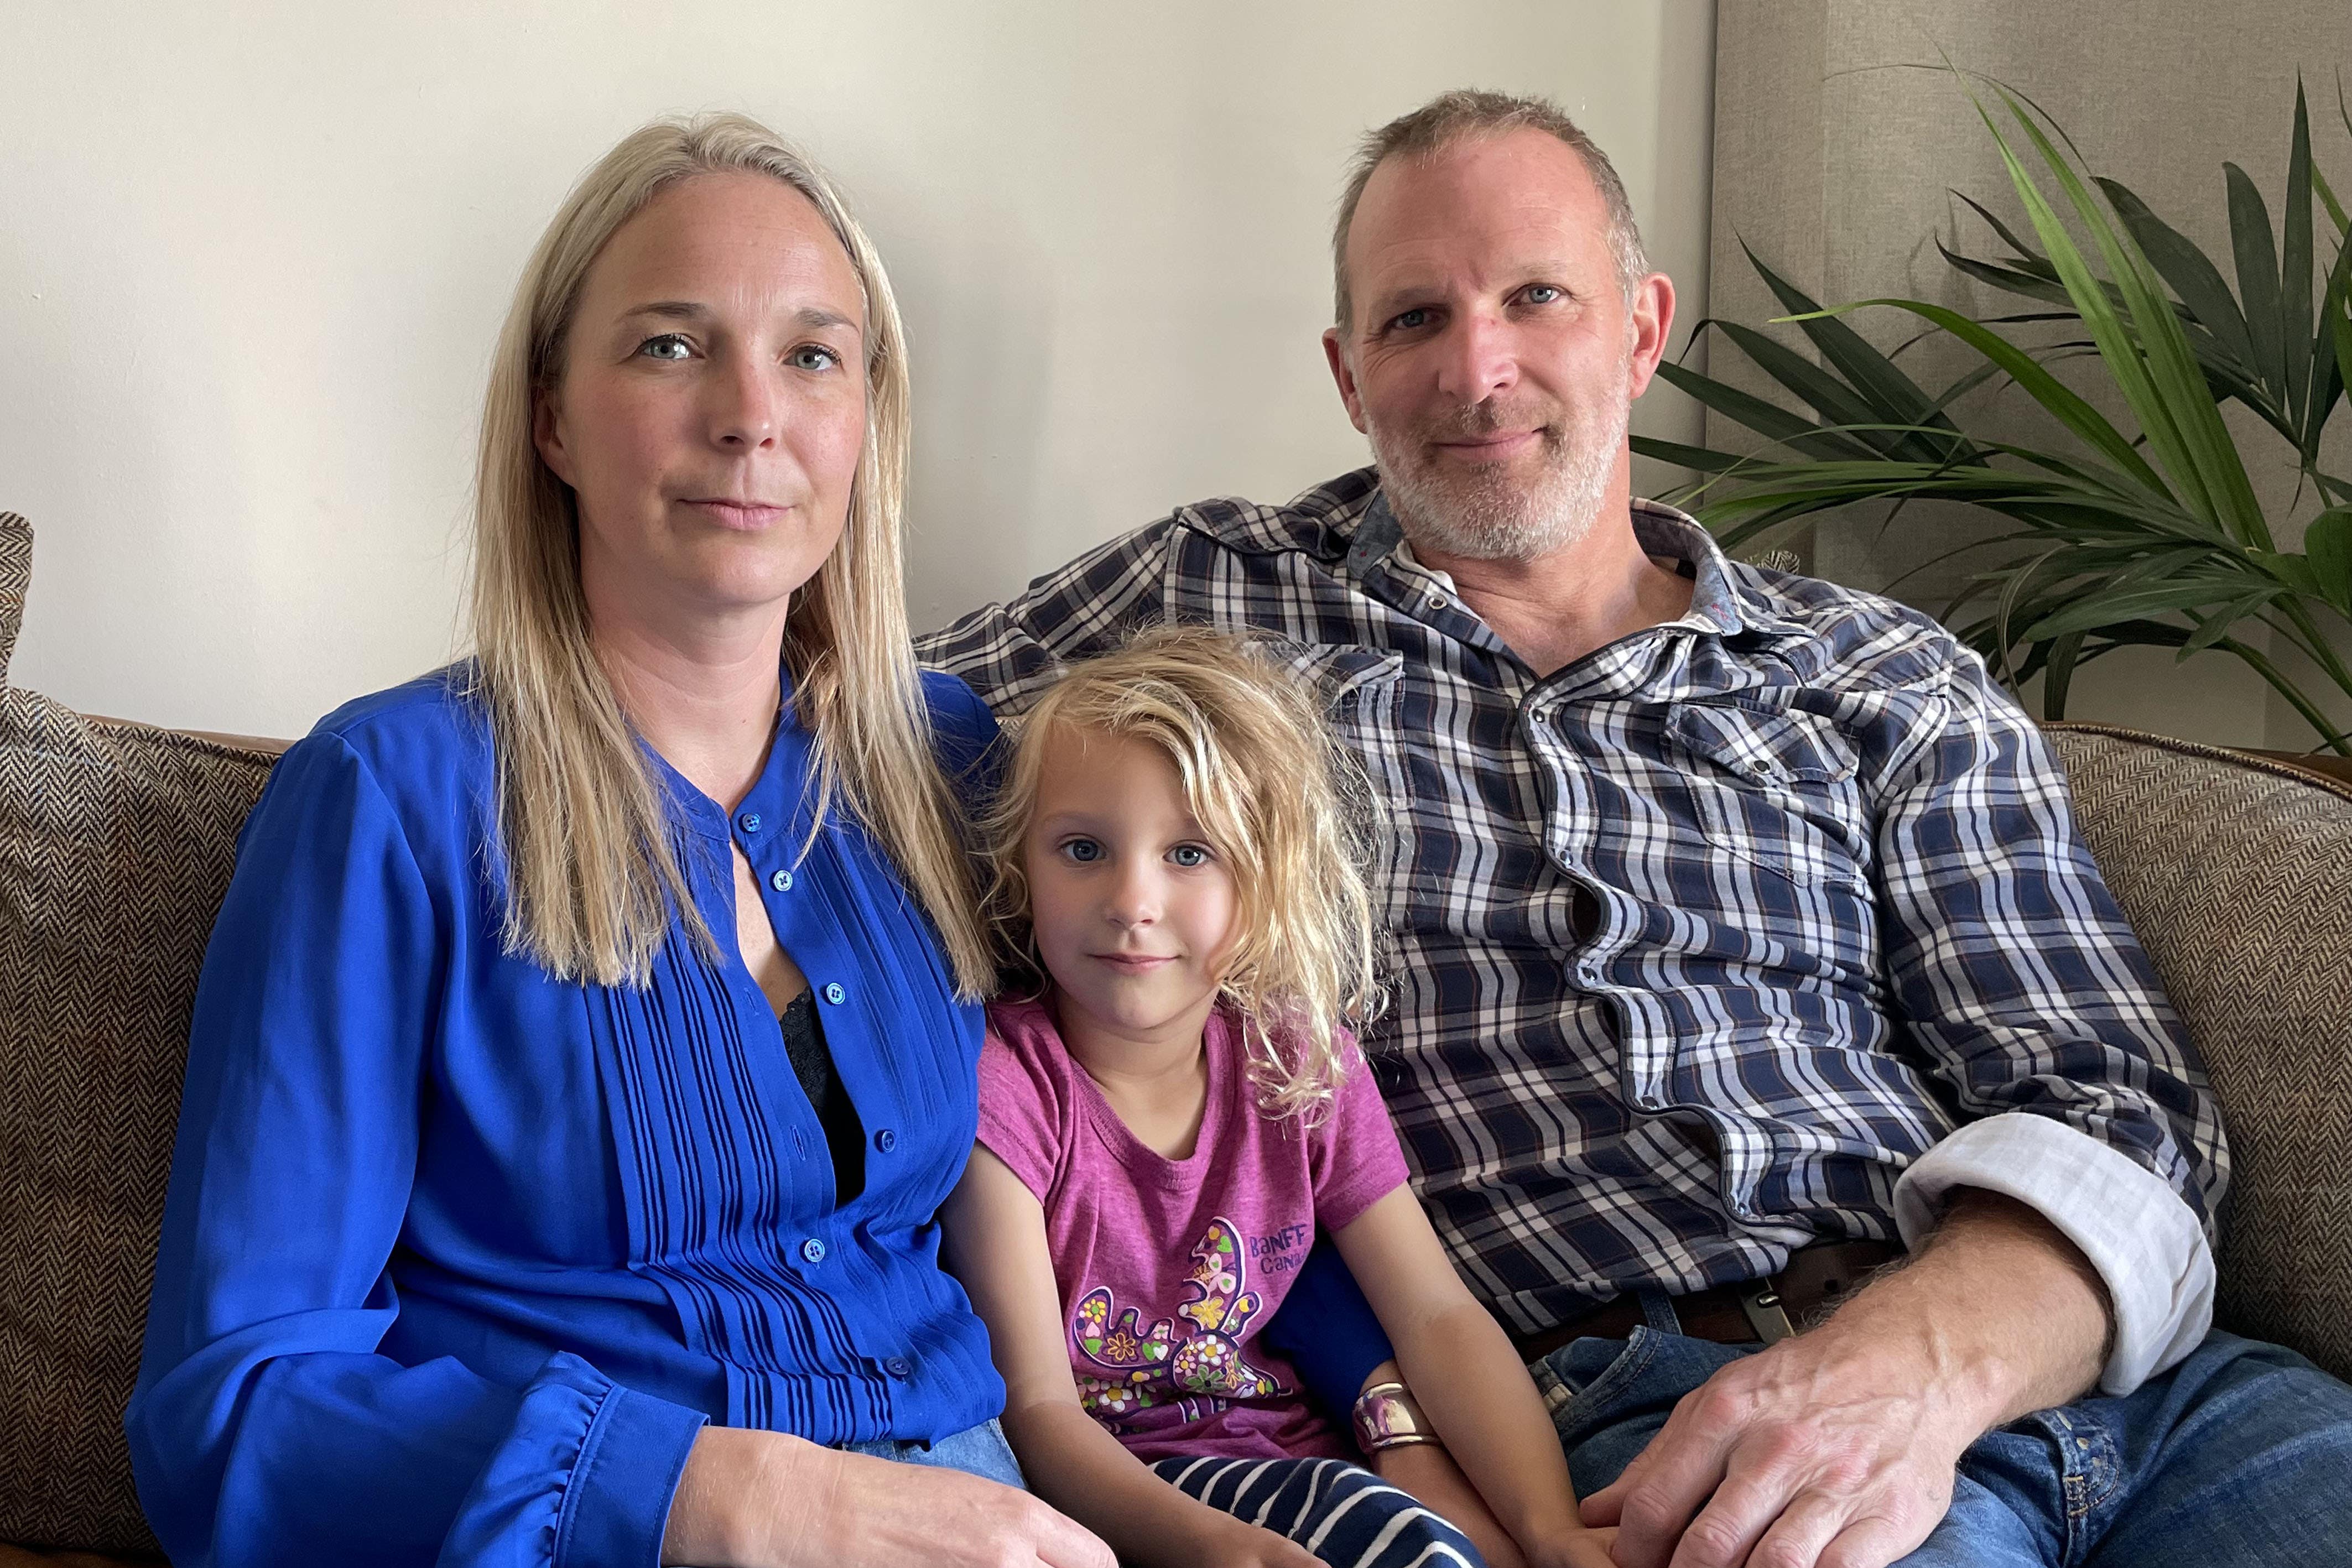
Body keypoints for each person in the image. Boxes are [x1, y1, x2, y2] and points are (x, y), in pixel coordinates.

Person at [917, 88, 2352, 1568]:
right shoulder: (1214, 597)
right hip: (1652, 1425)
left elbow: (2118, 1098)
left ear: (1641, 325)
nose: (1477, 371)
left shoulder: (1871, 673)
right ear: (1347, 375)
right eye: (1413, 320)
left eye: (1535, 296)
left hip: (2122, 1389)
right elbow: (814, 710)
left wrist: (1914, 1369)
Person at [126, 114, 1111, 1568]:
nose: (749, 415)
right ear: (550, 419)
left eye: (812, 354)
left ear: (865, 420)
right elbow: (234, 1409)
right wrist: (711, 1495)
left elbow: (1217, 1105)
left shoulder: (953, 764)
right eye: (668, 346)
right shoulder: (386, 800)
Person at [939, 627, 1614, 1568]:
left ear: (1266, 881)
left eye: (1190, 854)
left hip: (1316, 1468)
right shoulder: (1005, 1087)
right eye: (1084, 848)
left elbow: (1437, 1317)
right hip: (1138, 1499)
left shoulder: (1296, 1063)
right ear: (1021, 869)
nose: (1133, 900)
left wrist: (1554, 1533)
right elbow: (1041, 1414)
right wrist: (1224, 1550)